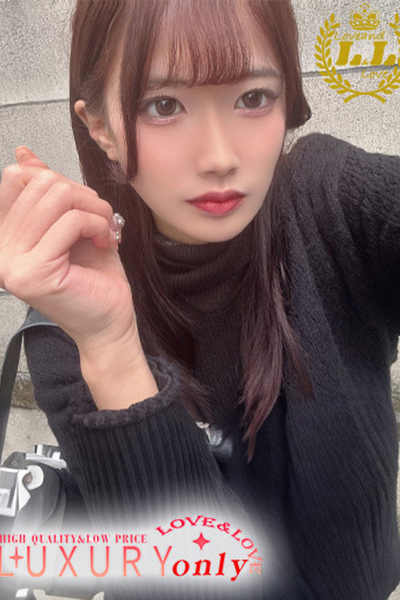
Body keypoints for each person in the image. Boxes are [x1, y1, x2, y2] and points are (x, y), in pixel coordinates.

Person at [0, 0, 399, 598]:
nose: (219, 157)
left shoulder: (332, 202)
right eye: (164, 106)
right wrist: (110, 347)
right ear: (101, 127)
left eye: (253, 98)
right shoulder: (69, 319)